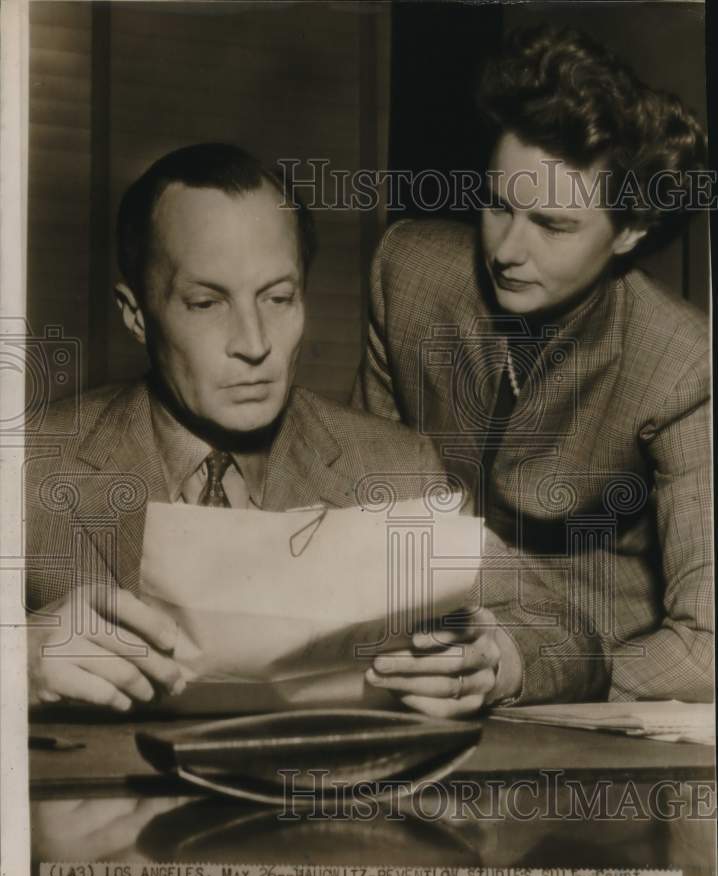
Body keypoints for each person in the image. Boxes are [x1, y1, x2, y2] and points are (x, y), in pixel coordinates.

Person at [28, 143, 605, 717]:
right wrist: (17, 657)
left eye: (279, 298)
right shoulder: (29, 464)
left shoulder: (392, 467)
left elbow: (565, 635)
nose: (254, 343)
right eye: (206, 303)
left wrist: (494, 661)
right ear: (136, 314)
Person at [353, 25, 712, 703]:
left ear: (630, 230)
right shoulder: (407, 273)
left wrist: (531, 670)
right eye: (498, 205)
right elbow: (367, 512)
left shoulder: (683, 362)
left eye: (552, 225)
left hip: (598, 666)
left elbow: (707, 646)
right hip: (420, 646)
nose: (507, 251)